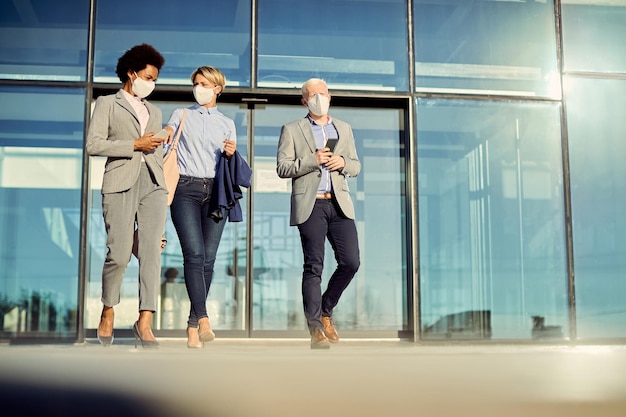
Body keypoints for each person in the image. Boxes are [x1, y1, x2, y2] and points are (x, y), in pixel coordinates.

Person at [86, 43, 166, 349]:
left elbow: (154, 150)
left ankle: (144, 321)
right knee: (118, 254)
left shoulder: (155, 111)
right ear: (131, 74)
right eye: (147, 76)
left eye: (155, 78)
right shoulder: (107, 103)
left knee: (151, 255)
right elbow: (94, 144)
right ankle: (108, 310)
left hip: (153, 184)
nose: (151, 83)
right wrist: (134, 145)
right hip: (120, 182)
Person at [276, 78, 361, 349]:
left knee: (351, 262)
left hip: (339, 204)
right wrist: (314, 159)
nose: (318, 98)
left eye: (322, 94)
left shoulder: (344, 129)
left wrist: (343, 162)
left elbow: (356, 165)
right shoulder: (292, 129)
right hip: (311, 204)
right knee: (314, 266)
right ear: (304, 101)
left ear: (329, 96)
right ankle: (315, 329)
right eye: (312, 95)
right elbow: (282, 167)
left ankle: (326, 309)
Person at [163, 66, 242, 349]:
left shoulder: (227, 123)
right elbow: (167, 143)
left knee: (209, 259)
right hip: (185, 188)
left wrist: (232, 153)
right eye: (196, 83)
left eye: (204, 83)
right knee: (194, 254)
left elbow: (229, 164)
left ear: (217, 88)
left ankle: (192, 324)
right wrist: (165, 132)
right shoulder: (181, 114)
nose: (198, 87)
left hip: (215, 192)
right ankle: (204, 318)